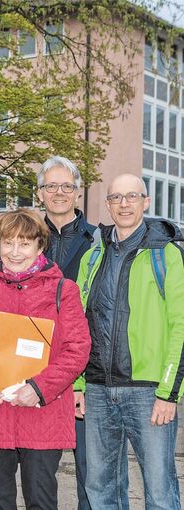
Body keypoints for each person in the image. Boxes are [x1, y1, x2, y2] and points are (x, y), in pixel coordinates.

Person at [0, 209, 90, 510]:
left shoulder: (63, 291)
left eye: (24, 244)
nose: (14, 252)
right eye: (8, 243)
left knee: (41, 501)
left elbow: (77, 350)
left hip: (42, 415)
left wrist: (39, 388)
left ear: (40, 246)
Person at [77, 173, 184, 509]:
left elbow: (180, 325)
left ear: (146, 202)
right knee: (100, 487)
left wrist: (169, 392)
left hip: (149, 392)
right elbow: (78, 326)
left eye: (132, 196)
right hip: (97, 390)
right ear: (107, 204)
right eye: (116, 198)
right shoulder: (92, 256)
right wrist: (78, 385)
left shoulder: (166, 255)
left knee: (159, 489)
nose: (124, 204)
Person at [36, 156, 105, 510]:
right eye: (51, 186)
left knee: (90, 472)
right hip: (37, 368)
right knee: (39, 474)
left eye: (67, 186)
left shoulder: (100, 241)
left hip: (85, 367)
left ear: (78, 193)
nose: (59, 193)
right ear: (40, 194)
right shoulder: (27, 240)